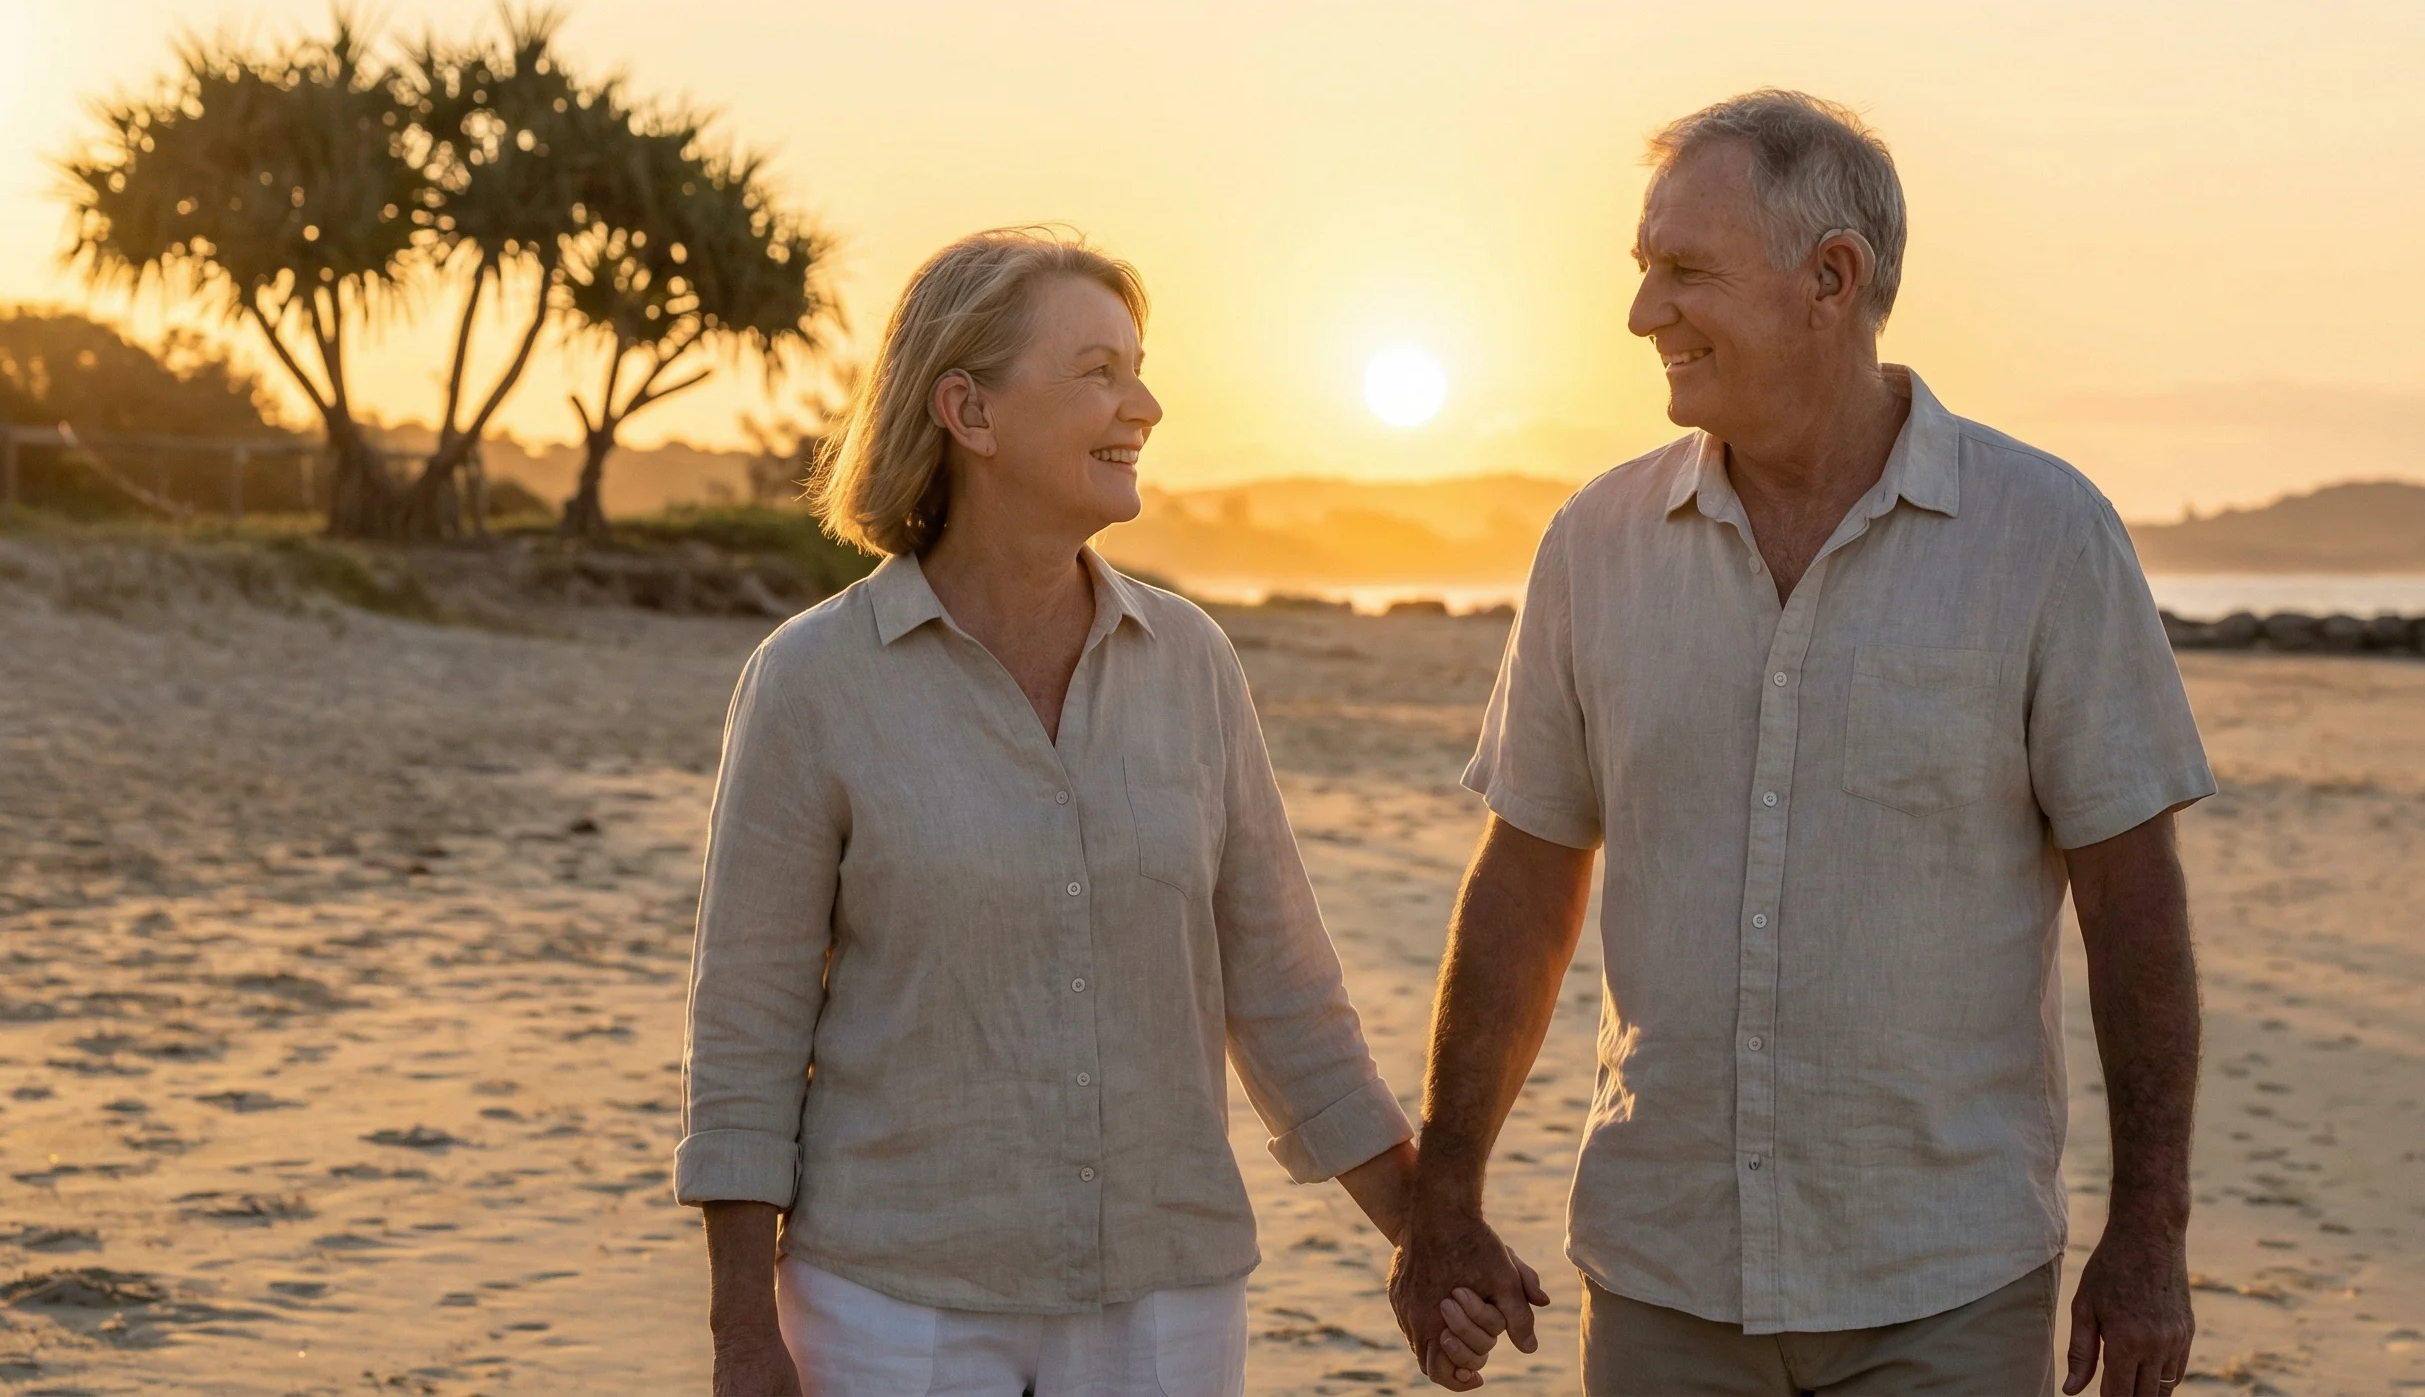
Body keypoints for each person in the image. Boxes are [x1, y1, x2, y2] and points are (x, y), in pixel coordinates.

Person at [1392, 92, 2215, 1397]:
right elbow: (1523, 883)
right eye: (1642, 269)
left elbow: (2134, 904)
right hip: (1663, 1277)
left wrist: (2149, 1231)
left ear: (1832, 278)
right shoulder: (1596, 546)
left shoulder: (2044, 536)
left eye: (1685, 270)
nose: (1643, 313)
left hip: (1947, 1285)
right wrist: (1446, 1198)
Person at [678, 228, 1423, 1397]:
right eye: (1097, 373)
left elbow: (1284, 995)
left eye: (1138, 370)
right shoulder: (812, 682)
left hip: (1164, 1303)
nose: (1145, 407)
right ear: (967, 412)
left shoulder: (1190, 665)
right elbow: (747, 1031)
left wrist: (1426, 1235)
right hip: (892, 1310)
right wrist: (740, 1332)